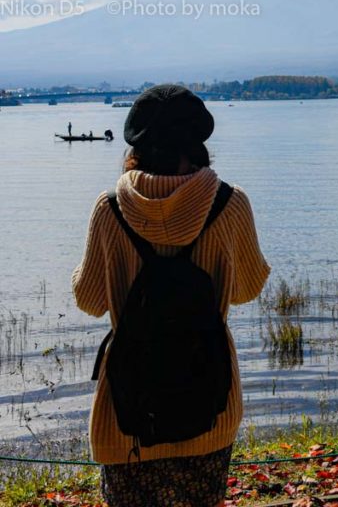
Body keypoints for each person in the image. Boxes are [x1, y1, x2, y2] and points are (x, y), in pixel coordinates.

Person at [73, 84, 270, 507]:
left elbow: (89, 300)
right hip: (209, 407)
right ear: (199, 143)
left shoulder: (109, 210)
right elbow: (247, 288)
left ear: (136, 148)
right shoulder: (230, 204)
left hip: (129, 416)